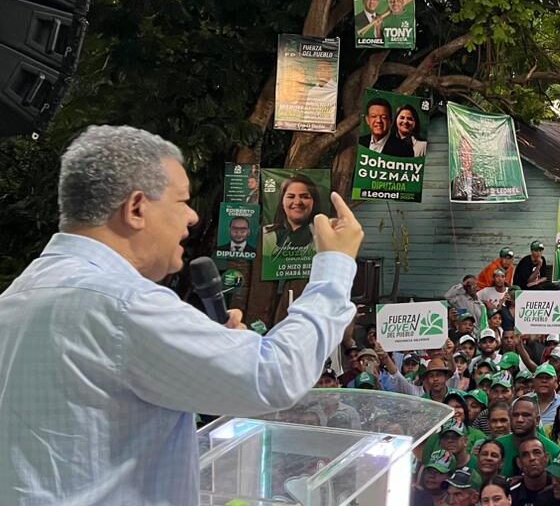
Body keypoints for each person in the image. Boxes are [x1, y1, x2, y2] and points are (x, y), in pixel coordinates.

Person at [0, 125, 364, 504]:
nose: (192, 217)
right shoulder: (124, 304)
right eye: (181, 202)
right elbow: (274, 376)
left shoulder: (18, 297)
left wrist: (210, 346)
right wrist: (334, 267)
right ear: (136, 208)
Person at [452, 137, 491, 201]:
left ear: (473, 156)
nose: (466, 158)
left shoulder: (481, 182)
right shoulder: (456, 183)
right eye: (463, 154)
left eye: (469, 154)